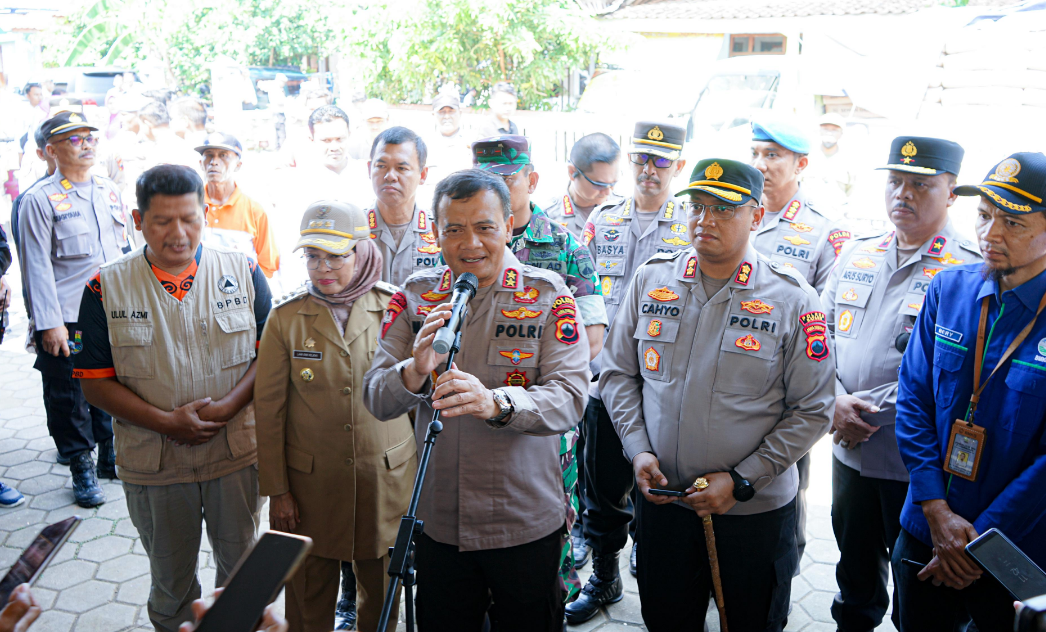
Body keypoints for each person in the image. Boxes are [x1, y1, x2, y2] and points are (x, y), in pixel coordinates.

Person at [601, 158, 835, 631]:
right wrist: (638, 449)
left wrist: (744, 479)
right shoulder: (652, 279)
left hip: (752, 512)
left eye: (724, 210)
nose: (705, 220)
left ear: (757, 217)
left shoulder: (793, 299)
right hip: (665, 501)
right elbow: (617, 375)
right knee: (667, 620)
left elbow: (813, 410)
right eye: (698, 206)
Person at [363, 169, 590, 631]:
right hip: (440, 522)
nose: (470, 244)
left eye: (485, 227)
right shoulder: (415, 297)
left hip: (523, 519)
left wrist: (497, 404)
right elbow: (375, 396)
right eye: (454, 229)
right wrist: (415, 370)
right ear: (434, 231)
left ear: (509, 226)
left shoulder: (548, 295)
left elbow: (570, 398)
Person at [73, 164, 271, 632]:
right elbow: (93, 381)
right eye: (162, 221)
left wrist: (227, 408)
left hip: (234, 456)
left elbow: (270, 355)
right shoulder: (104, 287)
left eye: (189, 218)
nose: (178, 234)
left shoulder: (242, 271)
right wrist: (165, 422)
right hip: (156, 466)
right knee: (171, 586)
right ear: (137, 220)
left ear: (205, 213)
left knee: (241, 578)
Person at [822, 136, 981, 632]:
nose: (902, 194)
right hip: (849, 453)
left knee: (916, 589)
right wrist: (831, 400)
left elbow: (947, 377)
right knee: (854, 574)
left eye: (920, 184)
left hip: (916, 466)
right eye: (895, 181)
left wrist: (859, 410)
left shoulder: (969, 269)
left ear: (951, 193)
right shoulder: (857, 253)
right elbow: (815, 339)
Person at [894, 152, 1046, 632]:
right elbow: (914, 399)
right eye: (984, 216)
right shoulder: (949, 290)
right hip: (927, 524)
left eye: (1013, 223)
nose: (990, 234)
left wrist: (976, 540)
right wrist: (937, 511)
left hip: (1015, 542)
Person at [256, 201, 414, 632]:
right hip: (309, 488)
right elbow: (268, 411)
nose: (322, 267)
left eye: (336, 255)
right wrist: (277, 491)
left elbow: (418, 397)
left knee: (382, 599)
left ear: (361, 252)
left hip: (385, 480)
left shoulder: (395, 309)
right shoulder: (286, 318)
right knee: (308, 600)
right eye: (312, 256)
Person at [472, 134, 607, 602]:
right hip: (472, 418)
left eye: (506, 179)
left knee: (553, 517)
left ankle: (555, 592)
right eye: (485, 180)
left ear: (530, 179)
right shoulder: (463, 246)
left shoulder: (566, 247)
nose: (496, 190)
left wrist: (512, 378)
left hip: (545, 419)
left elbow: (591, 341)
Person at [567, 121, 690, 624]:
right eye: (641, 159)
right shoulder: (603, 219)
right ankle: (605, 575)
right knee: (600, 491)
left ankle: (656, 565)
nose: (649, 170)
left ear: (678, 167)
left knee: (658, 487)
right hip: (604, 384)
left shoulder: (692, 223)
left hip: (663, 389)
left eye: (662, 162)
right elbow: (580, 293)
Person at [748, 116, 851, 570]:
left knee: (785, 487)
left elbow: (826, 327)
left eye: (772, 155)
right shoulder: (731, 211)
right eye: (755, 153)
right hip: (724, 383)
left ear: (801, 164)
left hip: (784, 393)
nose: (760, 164)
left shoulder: (823, 231)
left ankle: (779, 575)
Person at [17, 111, 132, 508]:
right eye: (74, 139)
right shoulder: (38, 199)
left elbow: (125, 252)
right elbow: (36, 267)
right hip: (66, 315)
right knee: (68, 392)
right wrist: (48, 325)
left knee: (110, 384)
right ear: (51, 150)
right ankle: (80, 464)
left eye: (89, 137)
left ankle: (108, 456)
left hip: (111, 309)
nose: (86, 144)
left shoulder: (108, 190)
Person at [196, 132, 280, 278]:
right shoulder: (189, 205)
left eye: (223, 155)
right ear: (200, 163)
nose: (214, 162)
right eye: (209, 155)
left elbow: (268, 265)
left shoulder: (254, 210)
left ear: (238, 165)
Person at [365, 126, 435, 287]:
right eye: (381, 166)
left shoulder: (440, 231)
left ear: (423, 175)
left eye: (401, 168)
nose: (390, 176)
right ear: (369, 169)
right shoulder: (353, 230)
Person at [542, 133, 623, 240]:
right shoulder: (548, 217)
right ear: (572, 172)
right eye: (599, 184)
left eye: (613, 183)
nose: (608, 192)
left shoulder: (623, 211)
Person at [425, 89, 472, 185]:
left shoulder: (472, 142)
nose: (447, 116)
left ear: (460, 113)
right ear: (433, 114)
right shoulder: (424, 145)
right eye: (441, 112)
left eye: (451, 111)